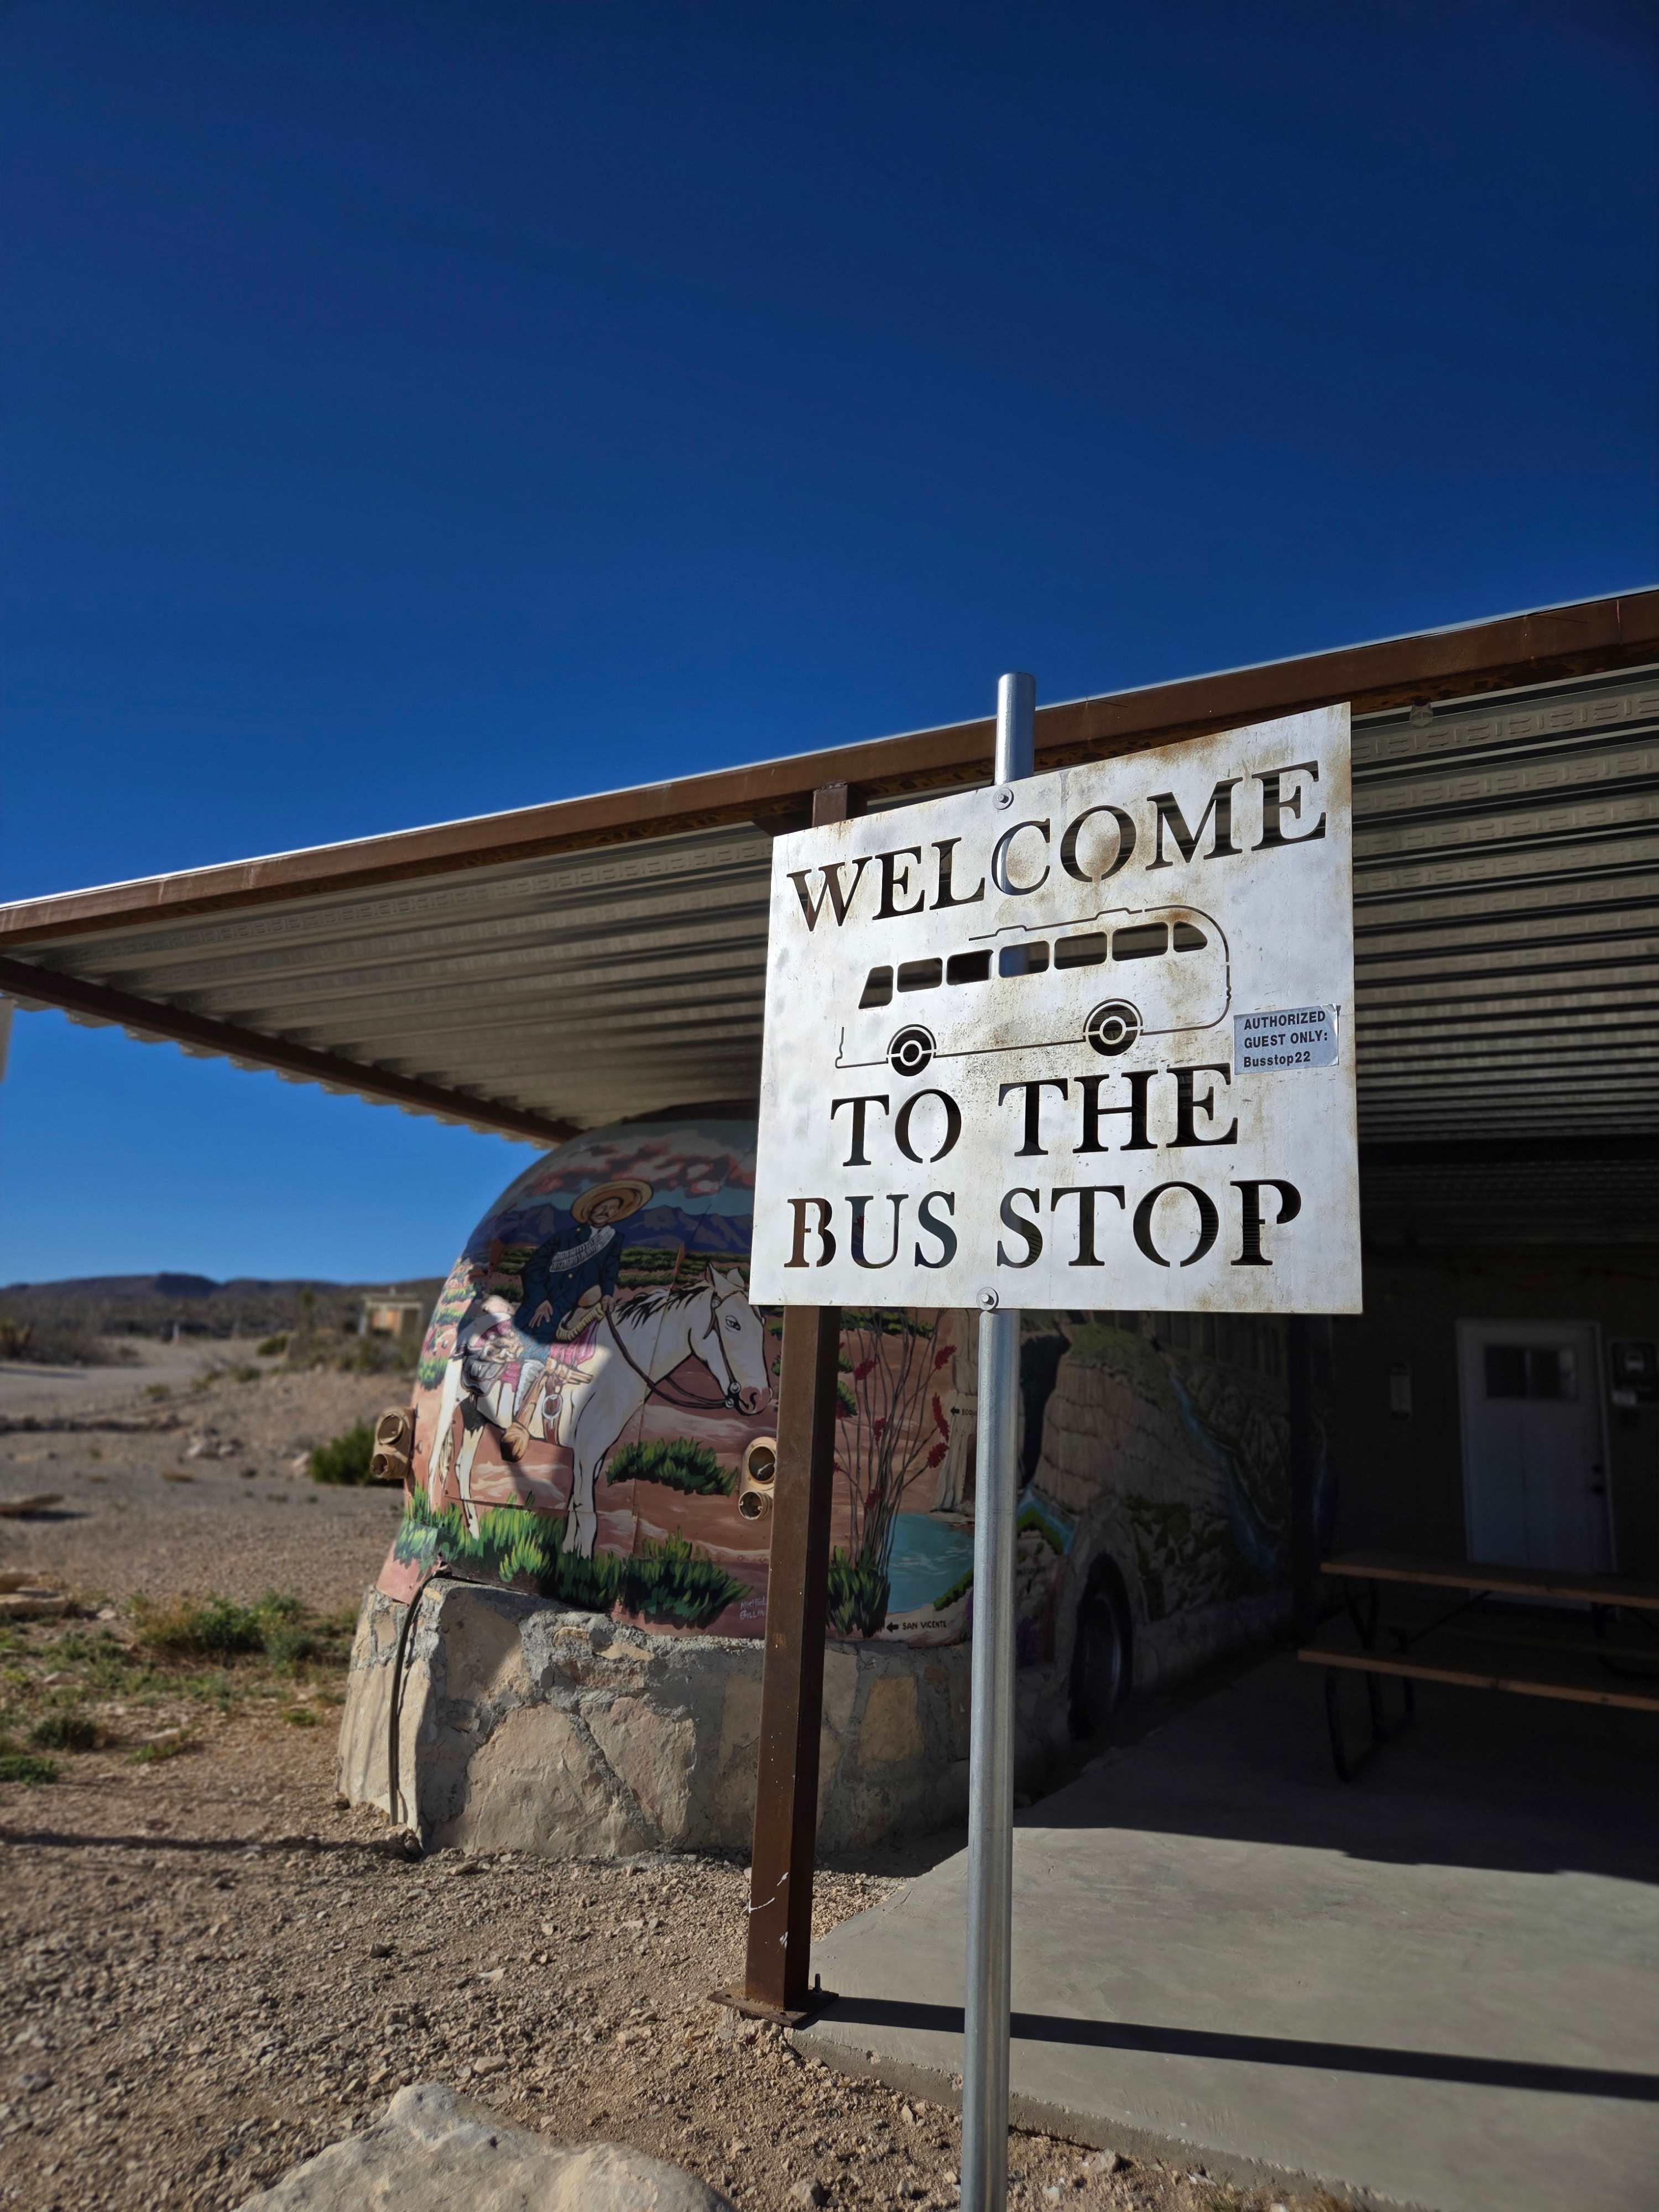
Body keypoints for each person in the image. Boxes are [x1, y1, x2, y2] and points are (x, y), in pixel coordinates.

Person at [501, 1178, 652, 1458]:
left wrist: (607, 1294)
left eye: (611, 1210)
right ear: (591, 1208)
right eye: (602, 1207)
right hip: (546, 1307)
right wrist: (541, 1301)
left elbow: (610, 1271)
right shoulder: (565, 1238)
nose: (605, 1212)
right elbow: (533, 1268)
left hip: (580, 1308)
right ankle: (519, 1419)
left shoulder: (613, 1240)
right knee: (535, 1358)